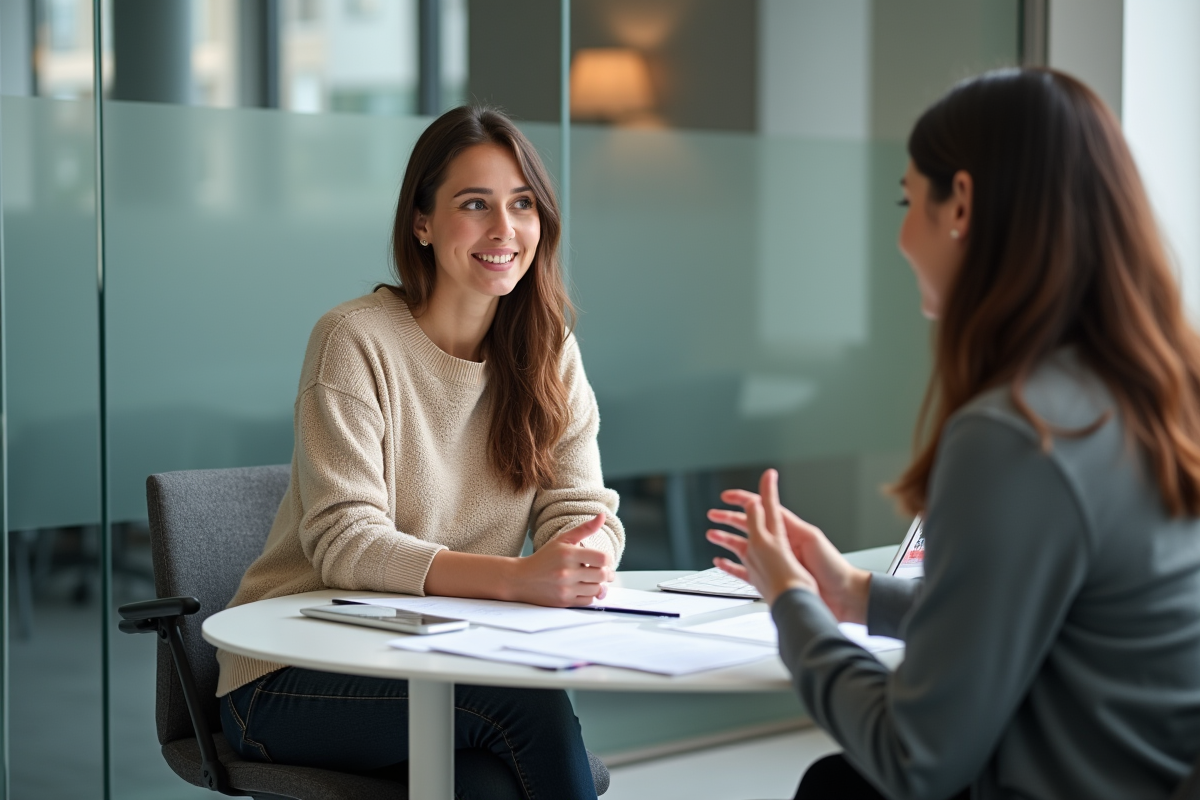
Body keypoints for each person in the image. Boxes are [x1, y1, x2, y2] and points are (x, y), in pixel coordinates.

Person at [707, 68, 1200, 800]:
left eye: (908, 201)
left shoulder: (1019, 435)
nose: (902, 236)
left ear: (960, 204)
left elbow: (914, 758)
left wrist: (791, 605)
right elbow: (1066, 621)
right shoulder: (1156, 392)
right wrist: (854, 593)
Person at [214, 106, 624, 800]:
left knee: (490, 788)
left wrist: (583, 558)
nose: (504, 229)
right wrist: (518, 579)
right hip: (291, 675)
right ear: (422, 223)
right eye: (475, 204)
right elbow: (346, 542)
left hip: (440, 658)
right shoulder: (355, 340)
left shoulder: (548, 348)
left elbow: (581, 506)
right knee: (526, 704)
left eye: (522, 204)